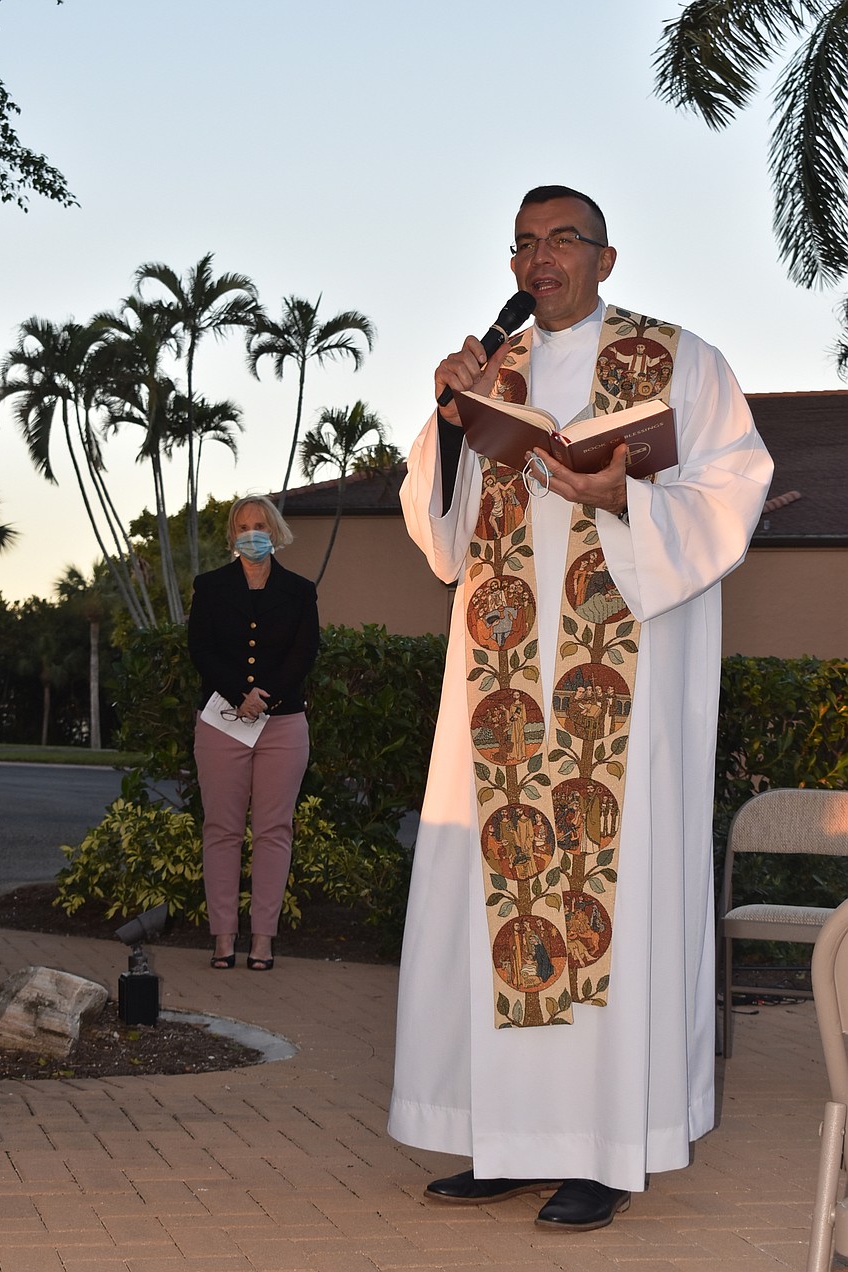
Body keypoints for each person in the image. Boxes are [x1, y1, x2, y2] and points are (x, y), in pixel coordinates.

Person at [387, 185, 773, 1231]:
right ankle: (503, 1139)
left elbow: (733, 493)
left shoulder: (680, 360)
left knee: (614, 890)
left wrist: (625, 499)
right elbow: (439, 536)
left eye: (562, 239)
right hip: (503, 686)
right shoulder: (492, 374)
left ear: (606, 258)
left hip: (619, 696)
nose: (539, 258)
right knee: (494, 900)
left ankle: (604, 1149)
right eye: (523, 243)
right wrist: (450, 421)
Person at [187, 495, 319, 971]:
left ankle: (263, 940)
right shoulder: (209, 587)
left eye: (260, 525)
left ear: (275, 531)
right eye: (242, 527)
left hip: (283, 725)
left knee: (273, 831)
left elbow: (305, 652)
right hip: (221, 722)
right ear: (232, 534)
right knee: (221, 830)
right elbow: (200, 648)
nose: (251, 534)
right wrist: (239, 694)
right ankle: (223, 938)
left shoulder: (300, 591)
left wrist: (265, 698)